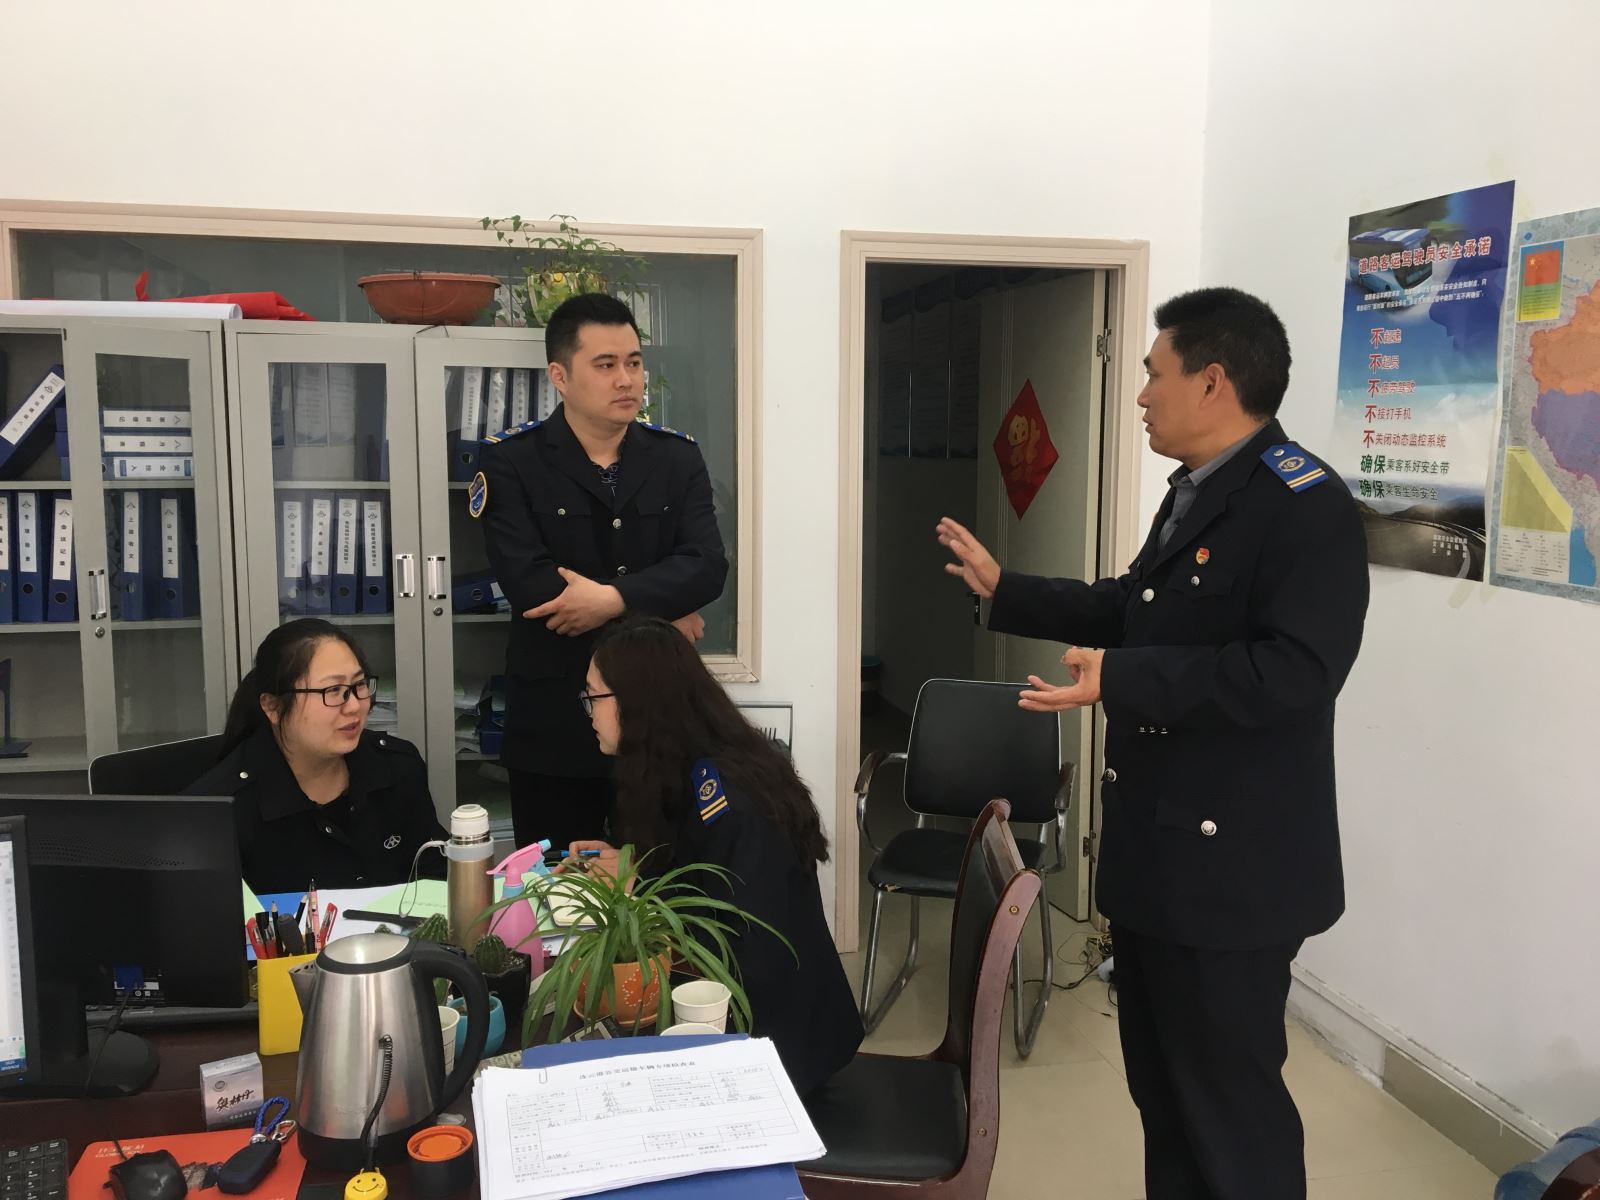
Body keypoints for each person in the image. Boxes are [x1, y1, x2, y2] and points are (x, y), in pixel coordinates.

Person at [937, 287, 1369, 1200]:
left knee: (1230, 1114)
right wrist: (1006, 588)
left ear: (1212, 382)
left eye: (1153, 373)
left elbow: (1293, 673)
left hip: (1232, 876)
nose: (1140, 394)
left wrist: (1123, 680)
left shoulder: (1305, 505)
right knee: (1165, 1100)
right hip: (1160, 863)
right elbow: (1131, 608)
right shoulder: (1196, 491)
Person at [563, 616, 863, 1096]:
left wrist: (637, 887)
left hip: (775, 1053)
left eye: (593, 696)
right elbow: (698, 870)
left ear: (638, 703)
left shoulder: (732, 801)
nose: (589, 713)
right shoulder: (686, 767)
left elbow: (739, 936)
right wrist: (633, 864)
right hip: (753, 1018)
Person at [476, 292, 728, 853]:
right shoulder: (512, 462)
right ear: (560, 376)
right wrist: (661, 611)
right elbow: (531, 586)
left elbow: (707, 566)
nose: (626, 380)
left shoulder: (676, 458)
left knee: (663, 881)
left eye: (634, 363)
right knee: (560, 887)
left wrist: (614, 600)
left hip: (659, 722)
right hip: (555, 724)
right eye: (606, 364)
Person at [187, 618, 447, 895]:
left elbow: (438, 878)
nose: (354, 706)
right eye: (332, 691)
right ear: (273, 706)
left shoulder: (397, 766)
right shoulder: (222, 810)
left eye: (359, 685)